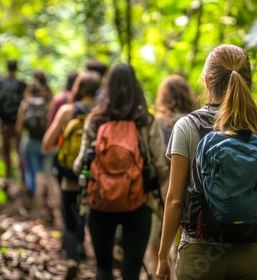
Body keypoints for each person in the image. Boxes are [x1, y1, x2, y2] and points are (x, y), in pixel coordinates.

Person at [156, 44, 257, 280]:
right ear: (249, 80)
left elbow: (174, 200)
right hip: (253, 252)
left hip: (200, 252)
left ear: (207, 80)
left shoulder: (187, 126)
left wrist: (163, 257)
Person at [73, 63, 169, 280]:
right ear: (135, 86)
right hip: (139, 204)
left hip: (100, 203)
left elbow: (79, 165)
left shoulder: (95, 120)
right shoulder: (146, 121)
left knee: (103, 268)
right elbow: (162, 168)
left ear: (107, 88)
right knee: (131, 273)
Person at [42, 71, 101, 279]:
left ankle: (71, 258)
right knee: (83, 210)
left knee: (68, 216)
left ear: (79, 88)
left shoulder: (67, 111)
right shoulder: (102, 112)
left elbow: (47, 143)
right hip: (95, 175)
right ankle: (82, 246)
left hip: (69, 173)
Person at [144, 74, 197, 277]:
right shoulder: (196, 122)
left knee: (156, 247)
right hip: (192, 195)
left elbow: (152, 162)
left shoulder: (157, 124)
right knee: (182, 248)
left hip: (161, 194)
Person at [15, 70, 54, 216]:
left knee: (31, 171)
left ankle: (33, 199)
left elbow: (18, 128)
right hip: (45, 143)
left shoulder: (25, 103)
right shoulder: (49, 102)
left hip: (30, 142)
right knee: (44, 173)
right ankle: (43, 200)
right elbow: (50, 125)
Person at [0, 60, 27, 189]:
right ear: (16, 68)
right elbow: (25, 104)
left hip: (4, 123)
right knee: (19, 151)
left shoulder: (0, 83)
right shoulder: (21, 84)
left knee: (6, 152)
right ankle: (24, 181)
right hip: (18, 124)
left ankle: (7, 179)